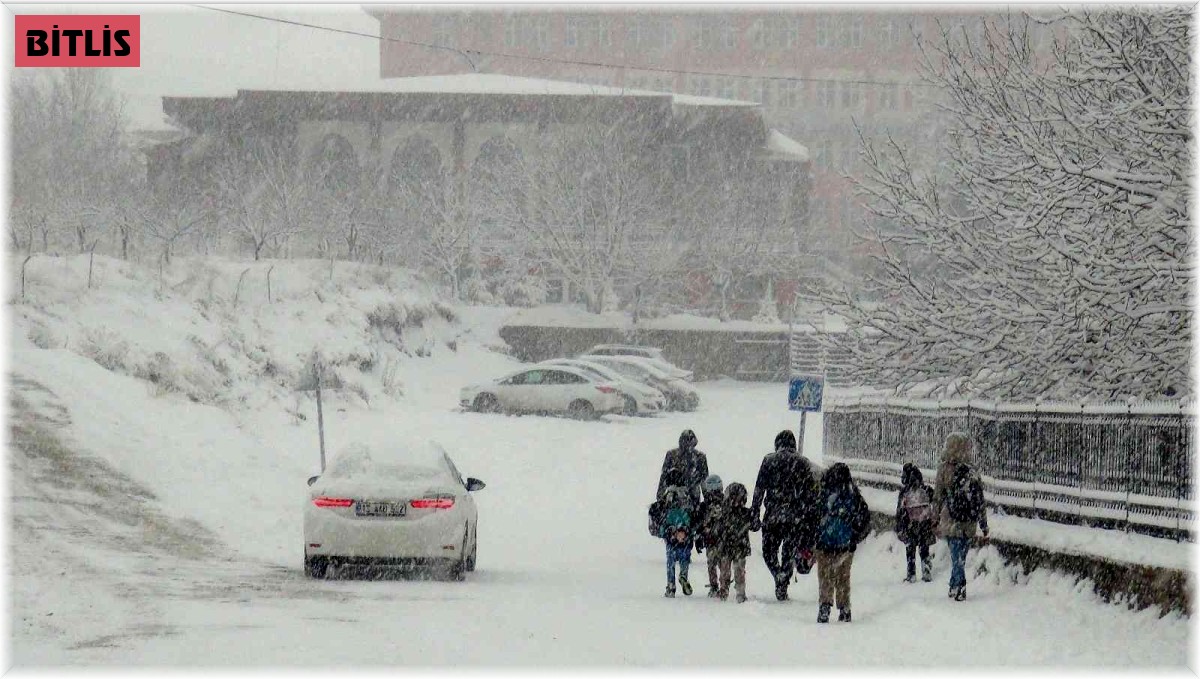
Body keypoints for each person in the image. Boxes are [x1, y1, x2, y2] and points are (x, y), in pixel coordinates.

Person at [750, 429, 822, 601]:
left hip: (773, 514)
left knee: (769, 551)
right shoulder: (803, 462)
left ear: (777, 444)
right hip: (795, 516)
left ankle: (778, 574)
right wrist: (810, 518)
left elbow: (759, 489)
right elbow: (810, 494)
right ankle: (785, 576)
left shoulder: (769, 460)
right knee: (788, 551)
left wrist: (755, 513)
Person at [932, 432, 989, 602]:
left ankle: (960, 585)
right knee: (961, 555)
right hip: (969, 520)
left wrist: (934, 518)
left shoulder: (944, 469)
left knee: (955, 555)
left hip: (951, 518)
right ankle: (953, 584)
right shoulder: (973, 470)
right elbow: (980, 499)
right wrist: (983, 523)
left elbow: (938, 496)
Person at [813, 462, 872, 623]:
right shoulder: (853, 495)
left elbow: (813, 515)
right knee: (843, 578)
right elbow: (864, 518)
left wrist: (816, 535)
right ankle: (844, 608)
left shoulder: (824, 493)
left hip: (825, 542)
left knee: (825, 576)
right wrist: (855, 536)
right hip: (845, 543)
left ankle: (825, 607)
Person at [708, 481, 756, 603]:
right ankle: (724, 590)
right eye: (735, 498)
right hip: (728, 546)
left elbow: (755, 526)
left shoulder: (744, 513)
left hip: (736, 546)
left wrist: (754, 517)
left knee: (739, 571)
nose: (737, 502)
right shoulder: (725, 513)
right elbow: (717, 528)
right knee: (725, 571)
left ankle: (740, 593)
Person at [895, 462, 937, 583]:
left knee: (910, 549)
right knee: (924, 548)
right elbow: (935, 501)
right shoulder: (926, 490)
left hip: (910, 524)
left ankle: (911, 574)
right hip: (925, 523)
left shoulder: (905, 492)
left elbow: (900, 511)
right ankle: (926, 571)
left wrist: (899, 526)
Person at [657, 467, 695, 598]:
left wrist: (667, 531)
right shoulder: (686, 496)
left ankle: (671, 586)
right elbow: (691, 516)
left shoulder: (667, 496)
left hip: (671, 534)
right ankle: (683, 575)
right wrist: (686, 531)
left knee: (671, 561)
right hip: (685, 534)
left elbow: (662, 518)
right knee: (685, 558)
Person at [656, 429, 710, 510]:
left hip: (692, 496)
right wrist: (660, 498)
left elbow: (704, 480)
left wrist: (707, 499)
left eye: (689, 442)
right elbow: (664, 476)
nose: (687, 446)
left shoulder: (700, 457)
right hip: (675, 496)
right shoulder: (672, 455)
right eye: (686, 442)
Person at [694, 474, 725, 597]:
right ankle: (722, 585)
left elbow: (699, 523)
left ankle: (715, 586)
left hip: (712, 538)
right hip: (719, 538)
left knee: (712, 563)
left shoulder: (704, 505)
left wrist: (698, 537)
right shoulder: (725, 502)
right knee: (720, 562)